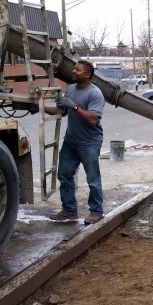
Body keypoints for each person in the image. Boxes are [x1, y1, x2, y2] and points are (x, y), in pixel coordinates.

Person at [47, 60, 106, 224]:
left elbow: (93, 119)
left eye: (78, 70)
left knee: (93, 179)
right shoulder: (71, 89)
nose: (73, 71)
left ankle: (96, 211)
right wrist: (38, 108)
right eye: (74, 68)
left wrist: (74, 107)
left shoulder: (95, 93)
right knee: (64, 174)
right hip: (71, 141)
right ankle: (69, 210)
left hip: (90, 142)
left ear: (87, 74)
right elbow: (62, 111)